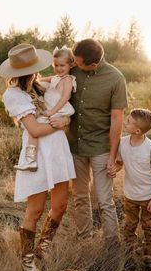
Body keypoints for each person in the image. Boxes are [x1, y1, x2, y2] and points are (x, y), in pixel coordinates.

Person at [0, 43, 76, 271]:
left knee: (60, 205)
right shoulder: (13, 94)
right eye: (31, 69)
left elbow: (63, 76)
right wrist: (61, 123)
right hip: (37, 153)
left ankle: (43, 250)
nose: (35, 72)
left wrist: (65, 122)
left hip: (58, 151)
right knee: (36, 209)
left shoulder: (40, 85)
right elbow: (33, 128)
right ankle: (28, 262)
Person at [50, 38, 128, 242]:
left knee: (105, 200)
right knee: (80, 197)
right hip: (75, 145)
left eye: (78, 62)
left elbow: (117, 119)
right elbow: (54, 82)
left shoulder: (115, 78)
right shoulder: (72, 69)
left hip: (101, 147)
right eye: (72, 60)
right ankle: (85, 240)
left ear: (93, 64)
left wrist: (113, 156)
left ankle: (112, 246)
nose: (73, 64)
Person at [114, 108, 151, 269]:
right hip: (130, 196)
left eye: (128, 122)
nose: (125, 123)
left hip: (148, 197)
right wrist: (114, 168)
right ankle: (128, 256)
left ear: (137, 130)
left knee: (148, 227)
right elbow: (120, 163)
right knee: (129, 226)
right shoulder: (122, 142)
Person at [14, 46, 76, 172]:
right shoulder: (55, 78)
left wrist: (52, 112)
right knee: (33, 130)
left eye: (62, 65)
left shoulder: (68, 79)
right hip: (51, 109)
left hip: (58, 110)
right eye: (56, 65)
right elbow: (38, 80)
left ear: (71, 65)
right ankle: (30, 160)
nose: (58, 68)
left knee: (34, 131)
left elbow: (65, 98)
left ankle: (30, 160)